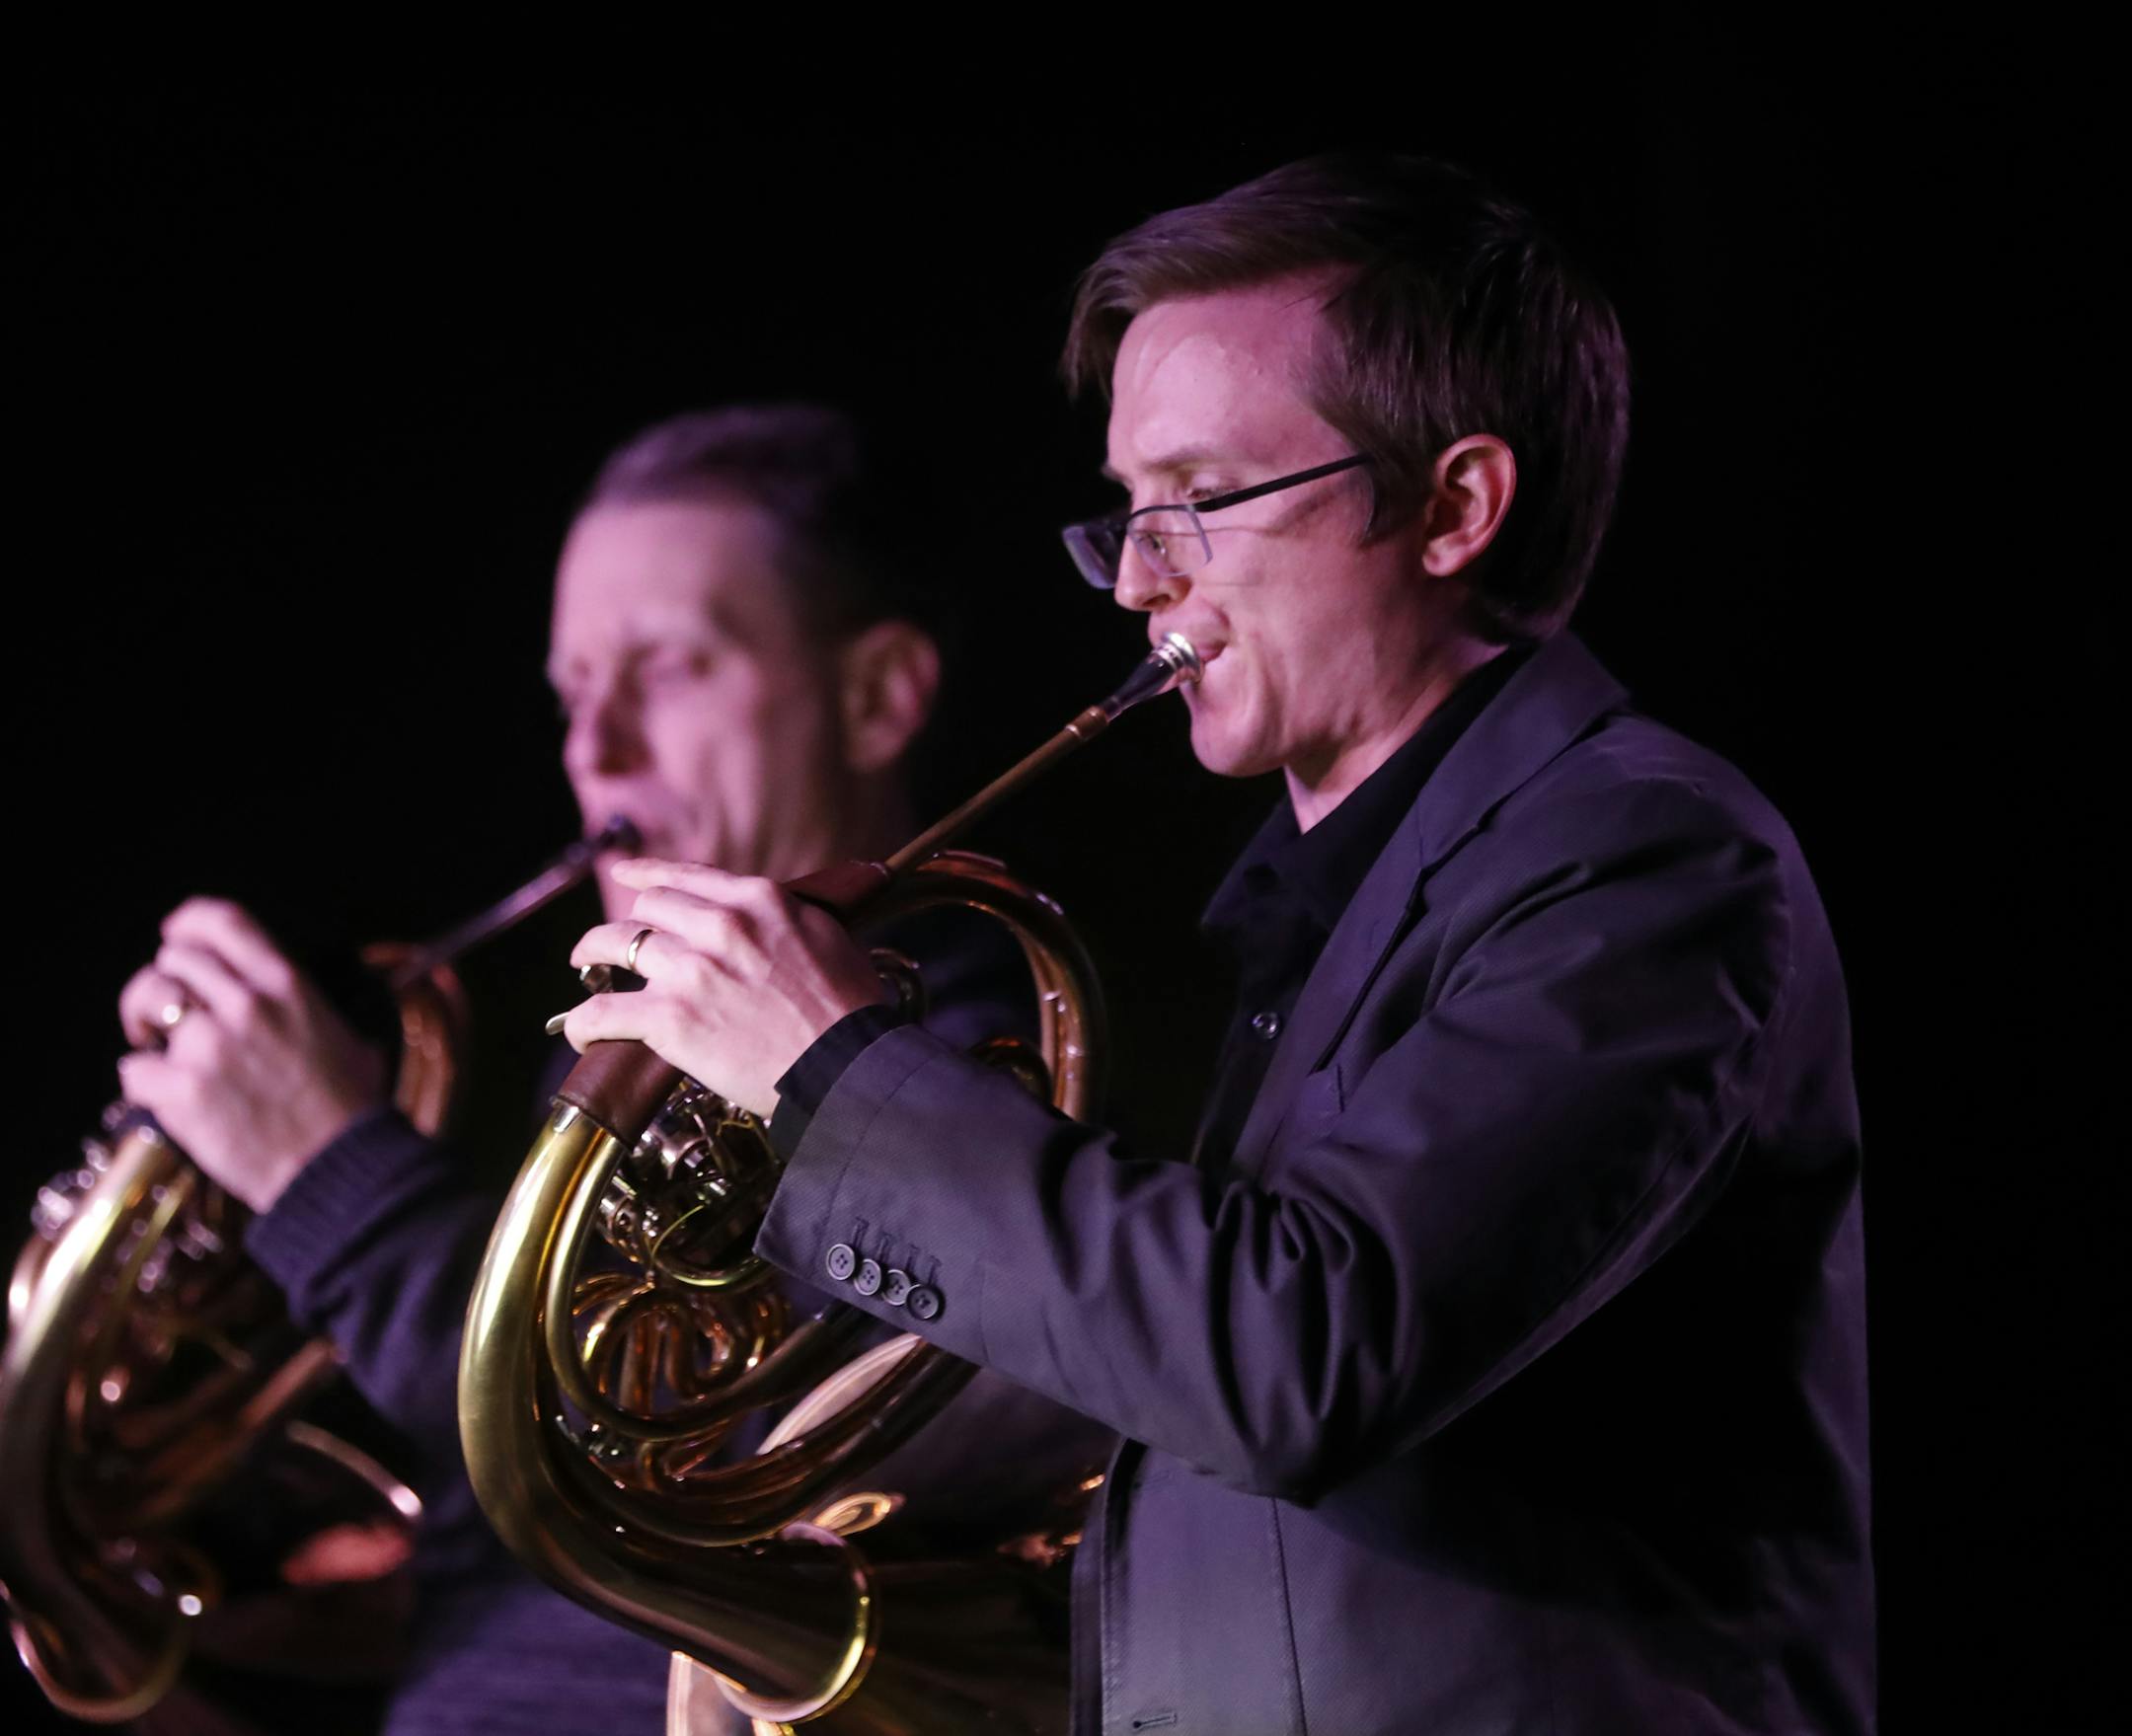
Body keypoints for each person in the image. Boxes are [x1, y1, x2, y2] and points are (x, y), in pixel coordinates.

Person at [562, 157, 1875, 1734]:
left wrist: (834, 1071)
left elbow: (1301, 1350)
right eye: (1125, 511)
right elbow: (1198, 1381)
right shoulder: (1329, 910)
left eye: (1198, 501)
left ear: (1455, 506)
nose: (1135, 579)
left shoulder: (1650, 860)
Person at [113, 404, 1096, 1735]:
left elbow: (663, 1483)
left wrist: (321, 1171)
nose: (599, 750)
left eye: (672, 668)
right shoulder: (635, 1051)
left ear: (875, 697)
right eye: (576, 690)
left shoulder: (961, 1077)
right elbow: (525, 1516)